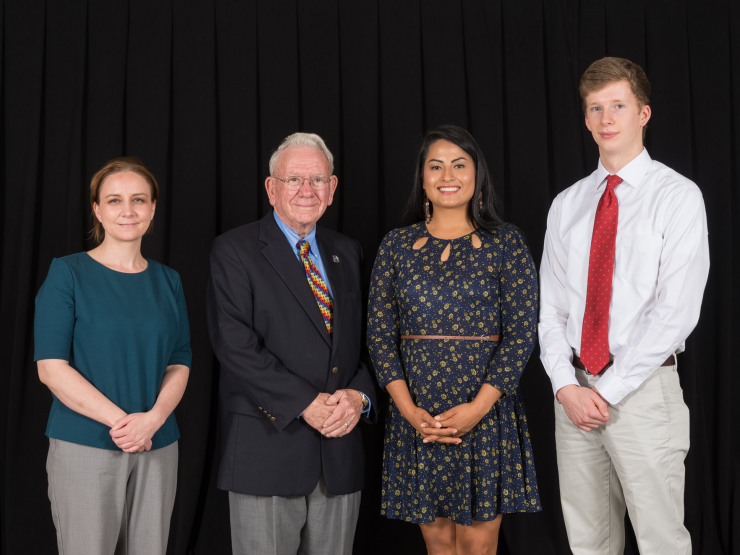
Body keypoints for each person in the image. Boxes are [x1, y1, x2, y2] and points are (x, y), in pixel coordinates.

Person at [539, 57, 709, 554]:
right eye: (595, 108)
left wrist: (607, 390)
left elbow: (675, 312)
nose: (606, 118)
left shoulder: (677, 197)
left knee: (660, 541)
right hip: (573, 397)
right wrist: (565, 385)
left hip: (643, 391)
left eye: (618, 105)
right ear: (586, 119)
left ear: (644, 114)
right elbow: (551, 311)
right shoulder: (567, 204)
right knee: (589, 543)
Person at [367, 124, 541, 555]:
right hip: (419, 417)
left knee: (478, 548)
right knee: (440, 546)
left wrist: (477, 409)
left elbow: (521, 334)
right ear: (423, 179)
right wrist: (409, 411)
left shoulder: (507, 244)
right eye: (436, 165)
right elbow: (379, 335)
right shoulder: (395, 246)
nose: (448, 174)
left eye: (459, 164)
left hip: (484, 415)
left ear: (477, 175)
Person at [206, 132, 377, 555]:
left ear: (332, 188)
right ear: (271, 188)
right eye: (294, 179)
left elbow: (368, 343)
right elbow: (234, 346)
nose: (307, 190)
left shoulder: (348, 251)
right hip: (267, 452)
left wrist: (358, 396)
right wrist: (306, 404)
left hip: (339, 451)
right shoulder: (234, 249)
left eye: (317, 180)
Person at [34, 157, 191, 555]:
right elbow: (51, 369)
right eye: (115, 200)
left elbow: (180, 360)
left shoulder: (168, 280)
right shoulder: (67, 273)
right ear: (98, 210)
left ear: (153, 208)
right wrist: (123, 424)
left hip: (158, 444)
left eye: (138, 199)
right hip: (86, 444)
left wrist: (153, 421)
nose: (128, 210)